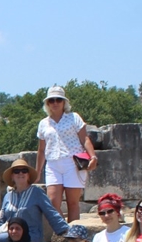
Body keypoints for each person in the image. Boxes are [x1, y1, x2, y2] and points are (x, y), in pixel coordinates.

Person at [34, 86, 97, 222]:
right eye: (51, 100)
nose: (55, 103)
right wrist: (37, 171)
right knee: (52, 202)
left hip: (72, 162)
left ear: (64, 102)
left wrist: (93, 156)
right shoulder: (43, 123)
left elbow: (84, 138)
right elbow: (41, 150)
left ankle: (72, 237)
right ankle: (65, 231)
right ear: (47, 104)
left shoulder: (74, 118)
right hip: (52, 164)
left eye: (58, 100)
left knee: (72, 203)